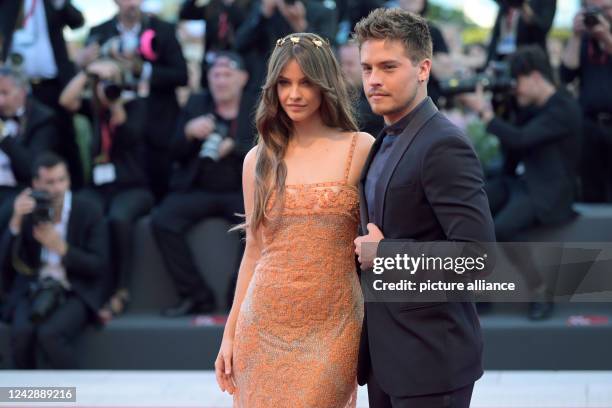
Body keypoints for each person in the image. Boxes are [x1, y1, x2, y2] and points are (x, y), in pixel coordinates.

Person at [214, 32, 375, 406]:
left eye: (305, 82)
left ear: (325, 85)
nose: (294, 94)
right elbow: (254, 251)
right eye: (284, 83)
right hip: (263, 323)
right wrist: (231, 334)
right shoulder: (257, 159)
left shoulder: (360, 147)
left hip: (334, 325)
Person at [353, 8, 495, 407]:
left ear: (423, 68)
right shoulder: (385, 138)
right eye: (366, 68)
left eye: (388, 66)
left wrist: (384, 254)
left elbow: (478, 258)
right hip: (386, 358)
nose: (374, 79)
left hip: (432, 359)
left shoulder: (443, 145)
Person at [461, 45, 581, 320]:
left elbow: (521, 138)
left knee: (502, 228)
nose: (516, 89)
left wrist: (484, 113)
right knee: (470, 209)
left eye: (519, 82)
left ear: (536, 77)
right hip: (519, 181)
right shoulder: (529, 104)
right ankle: (481, 291)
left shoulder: (563, 107)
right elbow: (512, 143)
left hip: (549, 190)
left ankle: (540, 290)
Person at [151, 52, 255, 317]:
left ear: (242, 78)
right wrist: (187, 132)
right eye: (215, 75)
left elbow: (271, 148)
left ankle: (239, 296)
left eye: (227, 74)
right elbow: (172, 152)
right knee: (163, 220)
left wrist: (234, 148)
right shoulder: (197, 104)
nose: (221, 81)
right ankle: (195, 295)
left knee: (258, 220)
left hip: (239, 189)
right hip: (197, 187)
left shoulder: (255, 105)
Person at [59, 59, 154, 320]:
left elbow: (128, 138)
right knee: (82, 209)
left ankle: (120, 290)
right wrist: (88, 72)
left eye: (113, 80)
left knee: (118, 218)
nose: (108, 86)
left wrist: (115, 105)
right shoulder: (92, 109)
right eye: (103, 81)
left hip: (133, 187)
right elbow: (66, 101)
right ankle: (81, 287)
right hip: (99, 188)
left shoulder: (135, 106)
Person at [0, 152, 109, 369]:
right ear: (36, 184)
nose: (57, 188)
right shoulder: (27, 211)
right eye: (50, 182)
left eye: (62, 180)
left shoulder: (88, 210)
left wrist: (62, 248)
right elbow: (5, 261)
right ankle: (28, 398)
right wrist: (16, 220)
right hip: (34, 288)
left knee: (50, 335)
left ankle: (75, 397)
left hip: (74, 288)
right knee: (21, 335)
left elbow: (98, 265)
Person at [80, 0, 189, 201]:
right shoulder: (99, 32)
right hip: (118, 124)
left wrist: (143, 70)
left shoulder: (162, 29)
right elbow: (89, 80)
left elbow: (181, 76)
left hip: (157, 123)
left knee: (160, 185)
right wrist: (85, 62)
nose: (132, 3)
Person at [0, 0, 86, 189]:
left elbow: (77, 21)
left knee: (64, 140)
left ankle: (74, 194)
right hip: (18, 89)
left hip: (52, 85)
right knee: (23, 140)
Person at [560, 0, 612, 202]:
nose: (600, 15)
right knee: (591, 190)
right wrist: (575, 36)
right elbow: (566, 75)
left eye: (606, 8)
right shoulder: (583, 41)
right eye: (593, 9)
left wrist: (606, 37)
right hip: (589, 126)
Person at [234, 0, 337, 91]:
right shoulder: (262, 7)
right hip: (265, 81)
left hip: (307, 78)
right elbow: (239, 44)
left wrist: (299, 24)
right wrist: (264, 14)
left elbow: (326, 51)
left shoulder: (321, 11)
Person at [0, 67, 59, 222]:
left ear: (22, 92)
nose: (0, 101)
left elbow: (31, 167)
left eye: (5, 93)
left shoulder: (42, 119)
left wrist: (4, 137)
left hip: (19, 191)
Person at [339, 40, 384, 135]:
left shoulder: (377, 93)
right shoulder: (338, 93)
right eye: (341, 64)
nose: (343, 70)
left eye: (349, 64)